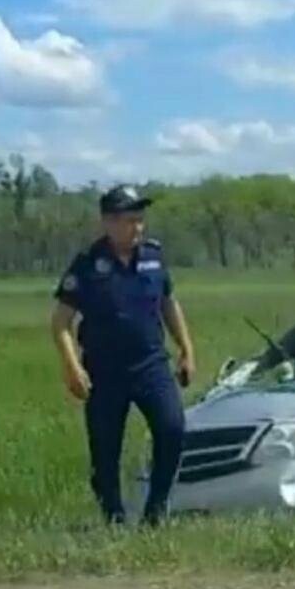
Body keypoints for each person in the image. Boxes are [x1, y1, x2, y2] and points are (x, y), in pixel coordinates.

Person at [50, 185, 197, 526]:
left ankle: (156, 511)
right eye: (129, 220)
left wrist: (186, 350)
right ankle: (113, 516)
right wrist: (72, 368)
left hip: (151, 365)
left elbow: (168, 304)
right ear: (108, 222)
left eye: (140, 220)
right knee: (105, 450)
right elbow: (60, 323)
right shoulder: (87, 265)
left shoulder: (153, 257)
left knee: (172, 429)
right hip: (104, 370)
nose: (137, 228)